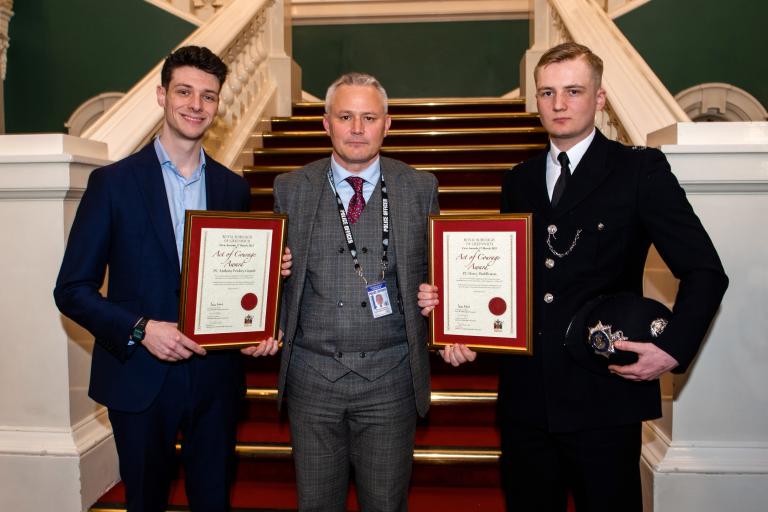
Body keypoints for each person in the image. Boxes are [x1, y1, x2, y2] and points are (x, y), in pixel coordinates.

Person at [418, 42, 728, 511]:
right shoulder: (517, 179)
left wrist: (672, 349)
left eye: (573, 90)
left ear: (599, 98)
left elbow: (706, 270)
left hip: (603, 396)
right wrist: (459, 316)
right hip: (526, 402)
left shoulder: (639, 170)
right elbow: (510, 282)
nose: (559, 104)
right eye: (547, 92)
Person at [54, 46, 288, 512]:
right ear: (162, 95)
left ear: (218, 104)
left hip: (215, 379)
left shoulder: (232, 187)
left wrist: (264, 287)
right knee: (146, 502)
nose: (196, 105)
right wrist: (141, 330)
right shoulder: (113, 184)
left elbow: (231, 276)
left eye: (208, 96)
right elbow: (71, 290)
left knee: (213, 499)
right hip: (140, 379)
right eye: (184, 91)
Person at [272, 72, 438, 511]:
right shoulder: (290, 188)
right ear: (326, 124)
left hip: (392, 379)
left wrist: (442, 306)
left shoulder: (420, 188)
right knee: (317, 503)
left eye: (369, 117)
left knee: (386, 503)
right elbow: (268, 279)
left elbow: (440, 274)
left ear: (388, 124)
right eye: (346, 116)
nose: (358, 128)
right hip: (312, 380)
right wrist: (272, 280)